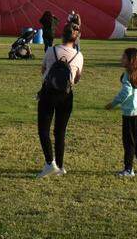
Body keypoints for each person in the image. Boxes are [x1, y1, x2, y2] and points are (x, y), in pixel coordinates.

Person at [36, 23, 83, 177]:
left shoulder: (51, 50)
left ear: (61, 35)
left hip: (48, 93)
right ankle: (60, 166)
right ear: (76, 39)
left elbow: (43, 70)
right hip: (66, 95)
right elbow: (76, 79)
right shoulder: (79, 55)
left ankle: (50, 163)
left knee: (44, 129)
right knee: (60, 132)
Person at [106, 47, 137, 176]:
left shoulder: (127, 75)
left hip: (130, 114)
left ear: (130, 60)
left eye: (124, 57)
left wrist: (113, 103)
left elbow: (126, 91)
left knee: (129, 142)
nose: (121, 59)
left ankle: (128, 169)